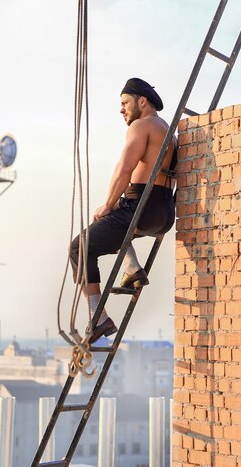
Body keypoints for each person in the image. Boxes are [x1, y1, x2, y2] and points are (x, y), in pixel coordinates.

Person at [69, 77, 177, 343]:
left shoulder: (142, 126)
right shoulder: (169, 132)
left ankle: (98, 318)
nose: (121, 109)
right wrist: (113, 207)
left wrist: (107, 203)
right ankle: (132, 268)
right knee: (113, 224)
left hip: (140, 207)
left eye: (125, 103)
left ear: (142, 101)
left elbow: (124, 169)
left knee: (79, 247)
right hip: (163, 213)